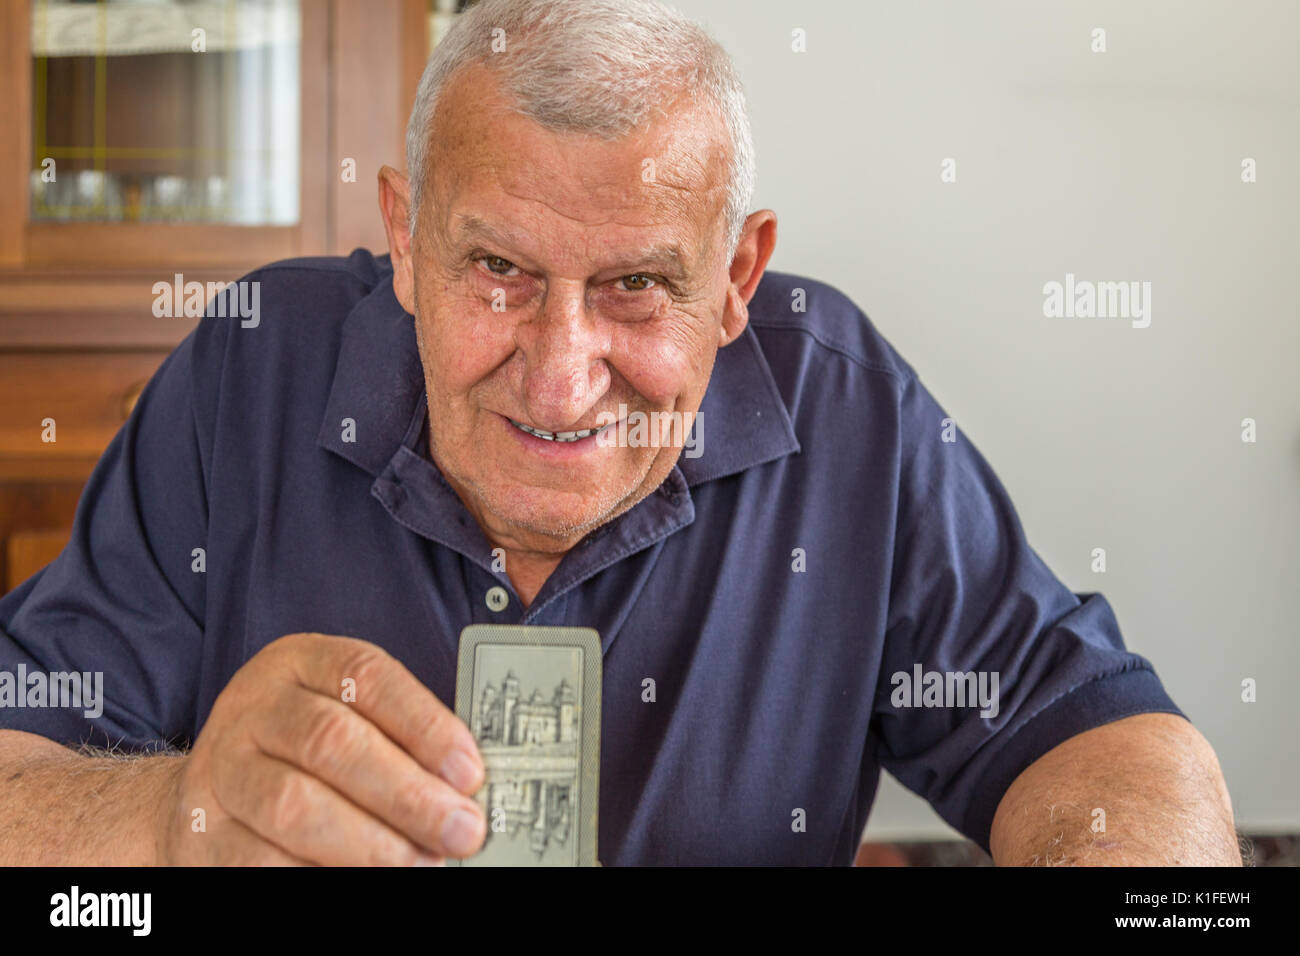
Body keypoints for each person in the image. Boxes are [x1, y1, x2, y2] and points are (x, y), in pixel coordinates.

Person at [0, 0, 1239, 866]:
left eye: (638, 285)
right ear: (406, 235)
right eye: (496, 268)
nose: (558, 377)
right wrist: (175, 823)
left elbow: (1097, 738)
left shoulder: (843, 400)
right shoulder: (255, 359)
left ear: (740, 271)